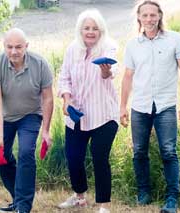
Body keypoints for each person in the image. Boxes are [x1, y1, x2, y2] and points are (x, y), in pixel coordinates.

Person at [120, 1, 180, 212]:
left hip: (166, 106)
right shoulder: (133, 45)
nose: (149, 19)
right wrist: (122, 106)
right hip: (140, 106)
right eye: (145, 15)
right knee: (139, 151)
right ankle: (144, 193)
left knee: (169, 151)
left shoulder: (175, 40)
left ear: (160, 16)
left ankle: (172, 199)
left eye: (153, 15)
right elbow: (127, 77)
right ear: (139, 18)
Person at [56, 9, 119, 213]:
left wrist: (106, 71)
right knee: (73, 157)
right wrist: (66, 99)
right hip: (76, 114)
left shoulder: (108, 47)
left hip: (104, 115)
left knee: (100, 156)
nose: (90, 32)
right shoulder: (72, 49)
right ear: (80, 30)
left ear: (101, 30)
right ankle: (79, 196)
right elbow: (64, 77)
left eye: (95, 28)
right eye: (86, 28)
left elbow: (111, 73)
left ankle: (104, 205)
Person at [0, 28, 54, 213]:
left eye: (18, 47)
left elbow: (48, 98)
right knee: (1, 156)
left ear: (26, 46)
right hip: (3, 117)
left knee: (25, 153)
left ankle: (23, 207)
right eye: (9, 47)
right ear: (4, 46)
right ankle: (17, 199)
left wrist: (45, 131)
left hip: (30, 115)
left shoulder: (40, 64)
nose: (14, 51)